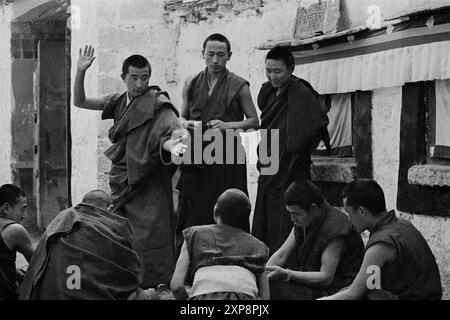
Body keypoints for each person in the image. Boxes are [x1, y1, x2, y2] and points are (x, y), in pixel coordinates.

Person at [73, 46, 186, 288]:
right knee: (123, 232)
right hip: (123, 182)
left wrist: (171, 147)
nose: (139, 83)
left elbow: (168, 134)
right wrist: (80, 71)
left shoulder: (158, 103)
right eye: (134, 77)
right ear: (123, 77)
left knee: (153, 234)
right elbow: (80, 101)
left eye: (144, 77)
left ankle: (158, 283)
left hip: (149, 181)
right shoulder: (117, 102)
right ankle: (126, 281)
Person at [176, 33, 260, 253]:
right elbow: (181, 117)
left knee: (229, 208)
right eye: (210, 54)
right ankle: (193, 261)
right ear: (202, 54)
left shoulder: (239, 85)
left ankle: (234, 257)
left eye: (220, 55)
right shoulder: (191, 82)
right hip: (196, 154)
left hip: (227, 155)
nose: (215, 60)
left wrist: (228, 126)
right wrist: (187, 125)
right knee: (195, 208)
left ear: (229, 56)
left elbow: (254, 121)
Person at [252, 46, 329, 255]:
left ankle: (284, 261)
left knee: (285, 213)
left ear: (291, 68)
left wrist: (294, 145)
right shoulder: (267, 91)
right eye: (268, 71)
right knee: (265, 210)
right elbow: (267, 122)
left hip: (291, 163)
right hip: (269, 158)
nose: (272, 76)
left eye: (278, 71)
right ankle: (263, 259)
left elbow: (316, 123)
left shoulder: (301, 92)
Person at [20, 190, 159, 300]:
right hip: (93, 294)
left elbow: (37, 261)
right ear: (109, 208)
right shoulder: (111, 227)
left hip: (54, 293)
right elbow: (132, 273)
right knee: (151, 295)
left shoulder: (60, 221)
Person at [320, 179, 442, 300]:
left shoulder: (381, 244)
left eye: (349, 213)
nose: (349, 220)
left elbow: (353, 294)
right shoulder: (402, 223)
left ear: (362, 211)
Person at [267, 180, 364, 300]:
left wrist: (288, 274)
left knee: (277, 290)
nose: (292, 219)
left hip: (334, 291)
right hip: (312, 284)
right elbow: (281, 255)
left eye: (296, 214)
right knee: (268, 285)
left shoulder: (336, 227)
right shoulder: (305, 219)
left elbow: (326, 277)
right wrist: (263, 276)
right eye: (290, 214)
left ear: (313, 208)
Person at [171, 189, 269, 300]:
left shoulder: (194, 235)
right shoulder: (259, 246)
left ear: (215, 211)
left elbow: (177, 287)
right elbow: (266, 297)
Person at [0, 184, 34, 300]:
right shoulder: (15, 229)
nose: (24, 216)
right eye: (23, 209)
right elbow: (37, 263)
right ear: (7, 208)